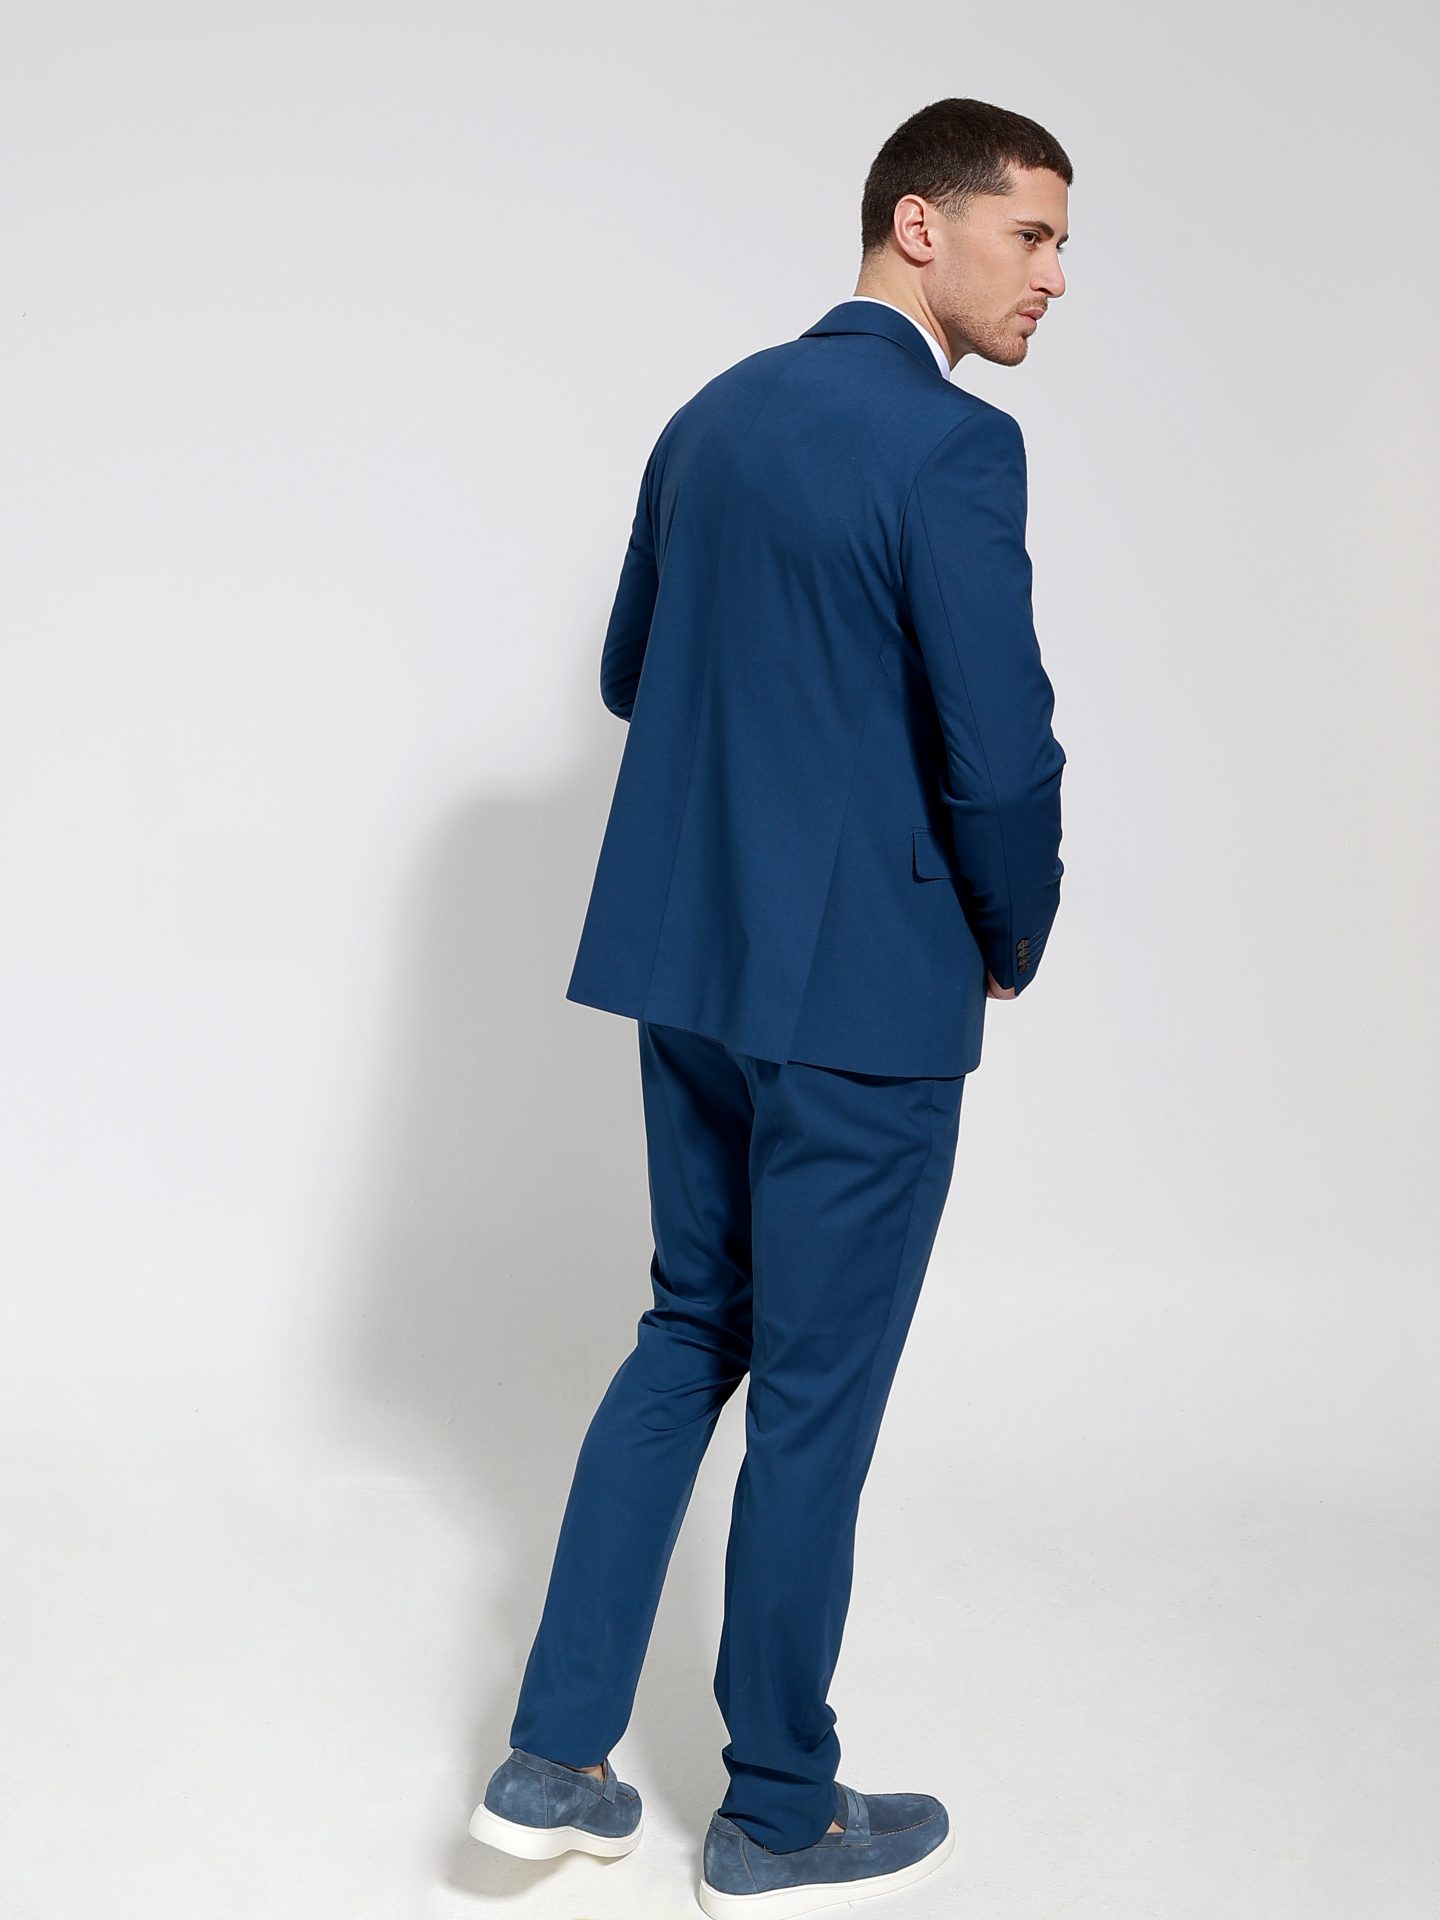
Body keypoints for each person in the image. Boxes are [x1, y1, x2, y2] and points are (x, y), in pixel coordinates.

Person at [468, 95, 1071, 1918]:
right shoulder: (953, 445)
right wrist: (1013, 931)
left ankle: (550, 1765)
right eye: (1031, 235)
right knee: (814, 1398)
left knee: (686, 1335)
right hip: (864, 1001)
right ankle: (780, 1809)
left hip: (695, 969)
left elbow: (632, 671)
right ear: (919, 226)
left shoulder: (712, 414)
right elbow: (1000, 755)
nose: (1054, 277)